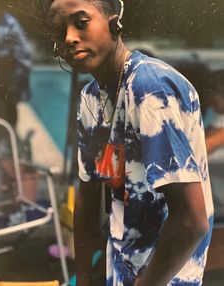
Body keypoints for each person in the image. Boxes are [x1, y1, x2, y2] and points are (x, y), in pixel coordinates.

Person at [48, 0, 214, 285]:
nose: (69, 38)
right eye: (60, 29)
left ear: (114, 24)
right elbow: (87, 199)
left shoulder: (149, 87)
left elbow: (191, 222)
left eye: (81, 22)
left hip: (165, 276)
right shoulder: (90, 98)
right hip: (121, 266)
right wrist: (84, 280)